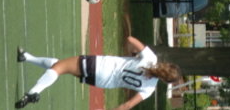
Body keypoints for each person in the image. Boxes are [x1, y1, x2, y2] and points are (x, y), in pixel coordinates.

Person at [15, 36, 182, 109]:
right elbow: (127, 106)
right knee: (62, 66)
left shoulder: (151, 58)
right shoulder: (149, 89)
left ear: (167, 65)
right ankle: (26, 57)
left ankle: (33, 93)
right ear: (165, 81)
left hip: (101, 65)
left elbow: (130, 40)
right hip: (102, 82)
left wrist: (132, 53)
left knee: (59, 68)